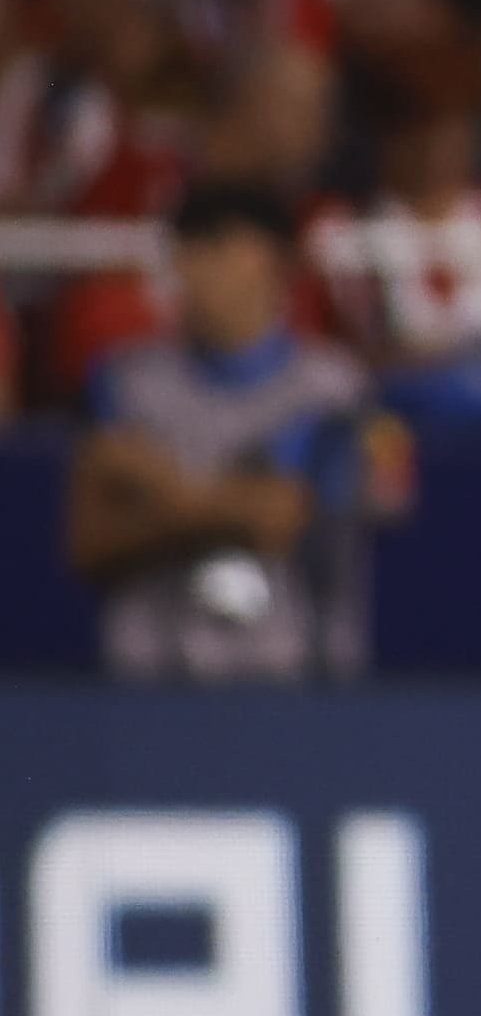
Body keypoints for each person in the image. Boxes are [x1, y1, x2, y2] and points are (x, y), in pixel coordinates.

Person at [69, 183, 407, 681]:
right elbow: (89, 543)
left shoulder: (340, 389)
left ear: (275, 261)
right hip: (150, 676)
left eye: (216, 246)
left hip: (297, 679)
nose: (191, 270)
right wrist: (229, 505)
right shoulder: (124, 381)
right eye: (185, 250)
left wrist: (168, 492)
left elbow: (280, 517)